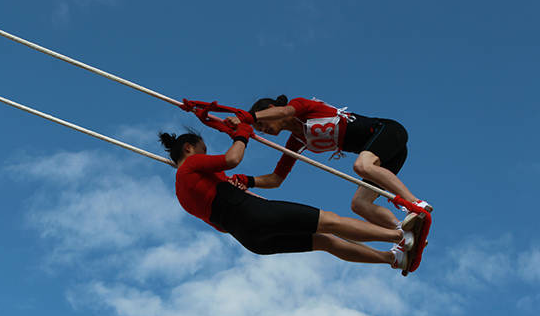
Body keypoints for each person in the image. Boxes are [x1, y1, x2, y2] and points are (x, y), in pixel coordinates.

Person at [158, 123, 418, 270]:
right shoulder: (191, 165)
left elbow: (221, 226)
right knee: (329, 221)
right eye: (203, 150)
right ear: (189, 148)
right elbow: (232, 159)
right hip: (255, 214)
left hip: (250, 239)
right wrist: (241, 133)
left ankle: (394, 258)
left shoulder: (182, 194)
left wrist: (238, 188)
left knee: (326, 242)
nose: (206, 156)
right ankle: (400, 236)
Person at [224, 95, 432, 232]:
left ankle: (415, 205)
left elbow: (285, 112)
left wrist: (249, 118)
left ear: (271, 109)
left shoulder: (300, 106)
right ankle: (405, 231)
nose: (263, 130)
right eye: (259, 128)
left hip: (388, 132)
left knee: (361, 166)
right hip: (383, 155)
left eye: (262, 124)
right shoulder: (295, 142)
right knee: (359, 205)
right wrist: (246, 180)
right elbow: (276, 179)